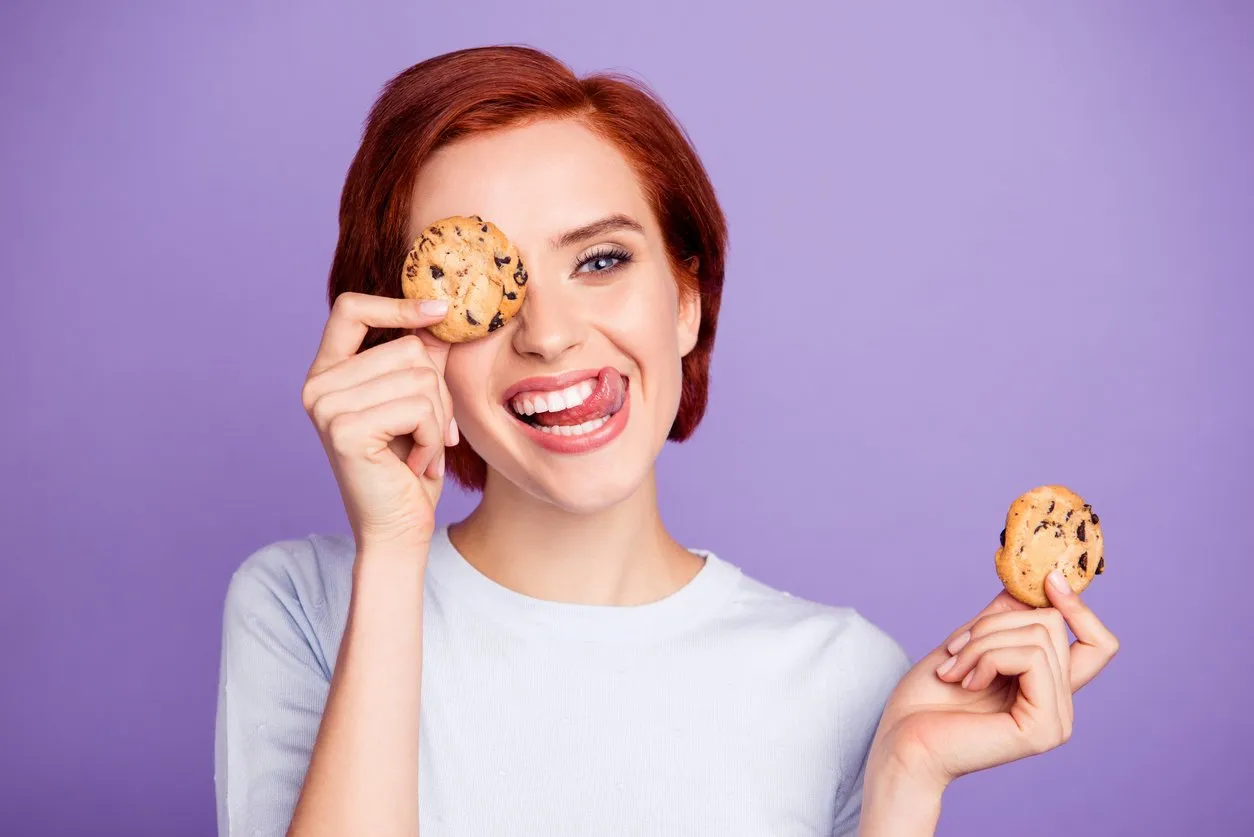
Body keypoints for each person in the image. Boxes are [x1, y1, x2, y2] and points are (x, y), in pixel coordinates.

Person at [213, 45, 1118, 837]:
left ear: (685, 300)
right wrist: (393, 551)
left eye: (600, 260)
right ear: (409, 344)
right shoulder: (303, 606)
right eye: (486, 288)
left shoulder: (848, 679)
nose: (549, 332)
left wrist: (905, 781)